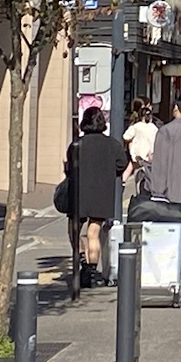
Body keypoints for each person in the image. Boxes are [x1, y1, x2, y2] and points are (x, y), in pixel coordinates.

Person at [63, 107, 122, 289]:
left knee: (74, 231)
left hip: (79, 193)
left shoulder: (76, 145)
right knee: (93, 233)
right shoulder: (112, 144)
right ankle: (91, 270)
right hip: (101, 194)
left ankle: (82, 258)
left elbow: (69, 168)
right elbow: (121, 164)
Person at [122, 99, 157, 201]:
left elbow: (126, 136)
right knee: (148, 175)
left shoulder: (136, 127)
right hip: (150, 155)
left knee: (137, 176)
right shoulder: (154, 127)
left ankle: (126, 185)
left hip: (138, 155)